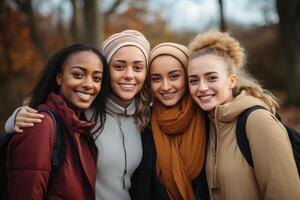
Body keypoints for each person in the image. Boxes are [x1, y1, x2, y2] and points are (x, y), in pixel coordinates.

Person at [5, 30, 151, 200]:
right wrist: (14, 118)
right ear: (105, 70)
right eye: (119, 66)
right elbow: (48, 109)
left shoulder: (145, 116)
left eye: (138, 67)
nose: (128, 75)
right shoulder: (85, 112)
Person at [187, 30, 300, 200]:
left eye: (211, 78)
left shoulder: (257, 121)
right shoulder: (208, 122)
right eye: (194, 80)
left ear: (231, 81)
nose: (202, 88)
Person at [6, 44, 108, 199]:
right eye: (78, 75)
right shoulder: (40, 124)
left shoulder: (82, 128)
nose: (89, 84)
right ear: (59, 78)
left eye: (96, 78)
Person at [130, 43, 208, 200]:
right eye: (156, 78)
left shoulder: (209, 118)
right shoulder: (142, 121)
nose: (165, 87)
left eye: (174, 76)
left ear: (187, 76)